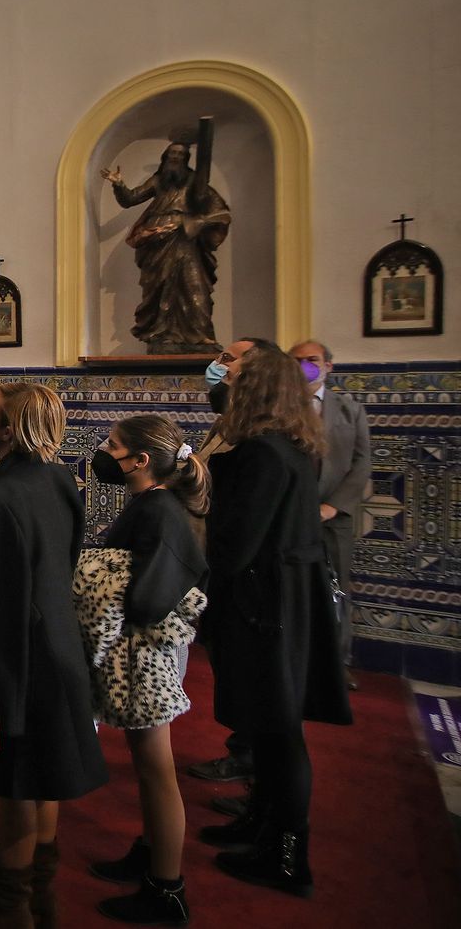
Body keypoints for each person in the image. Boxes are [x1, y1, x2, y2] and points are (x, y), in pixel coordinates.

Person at [0, 382, 107, 929]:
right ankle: (41, 894)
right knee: (47, 775)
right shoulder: (60, 479)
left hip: (18, 663)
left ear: (8, 429)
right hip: (59, 648)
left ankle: (10, 908)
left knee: (18, 785)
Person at [196, 346, 352, 897]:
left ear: (254, 390)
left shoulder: (260, 454)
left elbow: (236, 543)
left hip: (267, 605)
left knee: (280, 730)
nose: (224, 383)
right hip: (282, 596)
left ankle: (286, 853)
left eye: (233, 377)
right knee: (268, 724)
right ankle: (261, 822)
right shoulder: (288, 445)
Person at [79, 415, 210, 924]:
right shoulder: (154, 504)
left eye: (112, 446)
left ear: (139, 461)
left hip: (147, 660)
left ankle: (166, 887)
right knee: (147, 766)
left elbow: (149, 596)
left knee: (158, 772)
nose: (104, 452)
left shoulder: (157, 512)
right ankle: (153, 851)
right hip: (143, 657)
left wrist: (97, 582)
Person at [186, 336, 278, 787]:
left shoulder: (263, 440)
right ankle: (246, 754)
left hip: (243, 575)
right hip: (215, 558)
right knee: (230, 667)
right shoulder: (227, 423)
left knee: (249, 674)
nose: (217, 365)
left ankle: (253, 761)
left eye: (228, 359)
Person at [289, 340, 371, 689]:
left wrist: (333, 506)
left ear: (328, 366)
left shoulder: (349, 409)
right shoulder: (280, 409)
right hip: (290, 515)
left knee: (336, 589)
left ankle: (338, 663)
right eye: (298, 361)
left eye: (313, 360)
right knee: (292, 589)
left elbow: (361, 462)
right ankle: (295, 659)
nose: (306, 366)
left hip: (334, 517)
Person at [102, 140, 231, 354]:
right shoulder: (158, 181)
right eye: (171, 154)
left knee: (194, 287)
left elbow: (221, 213)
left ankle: (199, 336)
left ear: (186, 160)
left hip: (186, 243)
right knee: (159, 288)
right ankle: (161, 335)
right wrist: (118, 184)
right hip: (156, 244)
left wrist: (191, 223)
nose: (175, 158)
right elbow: (130, 199)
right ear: (165, 158)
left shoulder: (196, 184)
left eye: (180, 155)